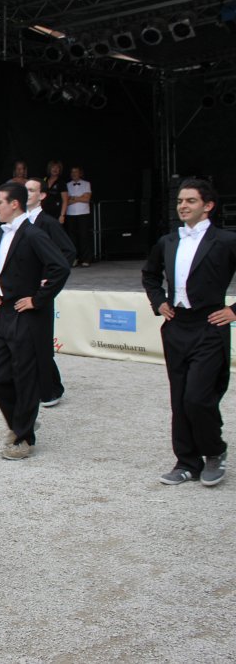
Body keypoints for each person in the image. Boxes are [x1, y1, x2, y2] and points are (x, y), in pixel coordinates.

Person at [142, 179, 235, 486]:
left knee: (198, 397)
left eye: (191, 201)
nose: (182, 205)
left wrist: (234, 311)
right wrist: (159, 302)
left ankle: (214, 451)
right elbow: (150, 275)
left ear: (208, 206)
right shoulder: (168, 241)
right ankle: (186, 461)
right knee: (180, 398)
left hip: (209, 326)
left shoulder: (225, 241)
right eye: (180, 200)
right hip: (176, 327)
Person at [0, 183, 70, 460]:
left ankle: (23, 437)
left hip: (27, 314)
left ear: (15, 204)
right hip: (3, 312)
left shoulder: (33, 234)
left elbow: (60, 266)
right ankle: (22, 421)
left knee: (24, 377)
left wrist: (38, 299)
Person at [25, 178, 75, 408]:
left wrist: (50, 278)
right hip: (21, 290)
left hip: (41, 291)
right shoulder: (18, 223)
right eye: (24, 190)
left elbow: (67, 252)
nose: (27, 194)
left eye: (31, 190)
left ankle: (51, 389)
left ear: (42, 196)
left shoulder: (48, 223)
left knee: (42, 341)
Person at [64, 166, 93, 267]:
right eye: (72, 172)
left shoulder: (86, 184)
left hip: (83, 213)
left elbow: (87, 199)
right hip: (70, 214)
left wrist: (73, 198)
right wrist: (80, 197)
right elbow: (66, 201)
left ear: (80, 173)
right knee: (72, 237)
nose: (74, 174)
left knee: (84, 236)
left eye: (76, 172)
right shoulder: (67, 185)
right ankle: (74, 258)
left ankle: (86, 259)